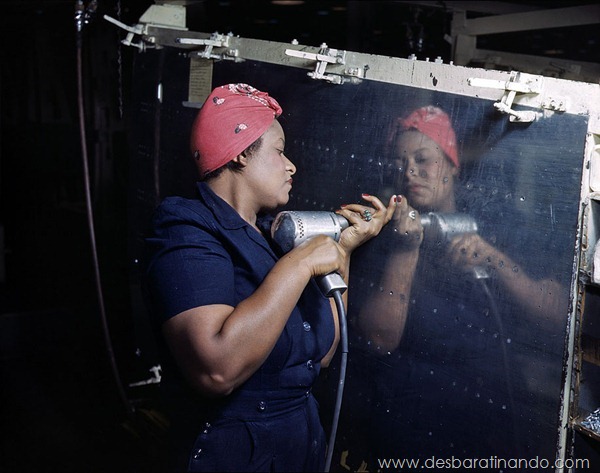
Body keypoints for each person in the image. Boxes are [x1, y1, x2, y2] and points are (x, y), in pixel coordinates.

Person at [144, 83, 397, 472]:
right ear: (243, 153)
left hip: (298, 442)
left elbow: (324, 355)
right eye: (279, 151)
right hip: (234, 453)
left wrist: (342, 251)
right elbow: (216, 370)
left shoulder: (268, 237)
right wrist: (299, 265)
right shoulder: (186, 229)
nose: (291, 165)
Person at [347, 105, 568, 466]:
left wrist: (495, 261)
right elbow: (377, 339)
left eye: (423, 158)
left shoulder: (497, 219)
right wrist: (406, 250)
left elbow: (558, 317)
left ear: (451, 164)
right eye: (399, 161)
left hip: (492, 417)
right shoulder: (381, 234)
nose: (409, 172)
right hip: (410, 422)